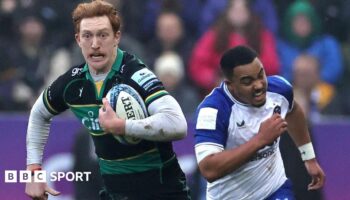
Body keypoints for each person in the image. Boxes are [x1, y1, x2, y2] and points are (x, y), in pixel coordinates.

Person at [25, 1, 191, 199]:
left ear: (116, 37)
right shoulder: (72, 83)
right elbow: (38, 114)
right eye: (87, 36)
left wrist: (123, 126)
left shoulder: (136, 74)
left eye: (103, 35)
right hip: (115, 192)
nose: (95, 44)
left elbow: (178, 124)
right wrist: (33, 171)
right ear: (78, 40)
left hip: (161, 191)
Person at [193, 45, 325, 199]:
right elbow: (209, 169)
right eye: (247, 81)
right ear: (230, 85)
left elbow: (294, 111)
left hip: (275, 189)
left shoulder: (279, 90)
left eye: (260, 75)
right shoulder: (213, 111)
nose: (259, 85)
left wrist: (309, 158)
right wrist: (260, 140)